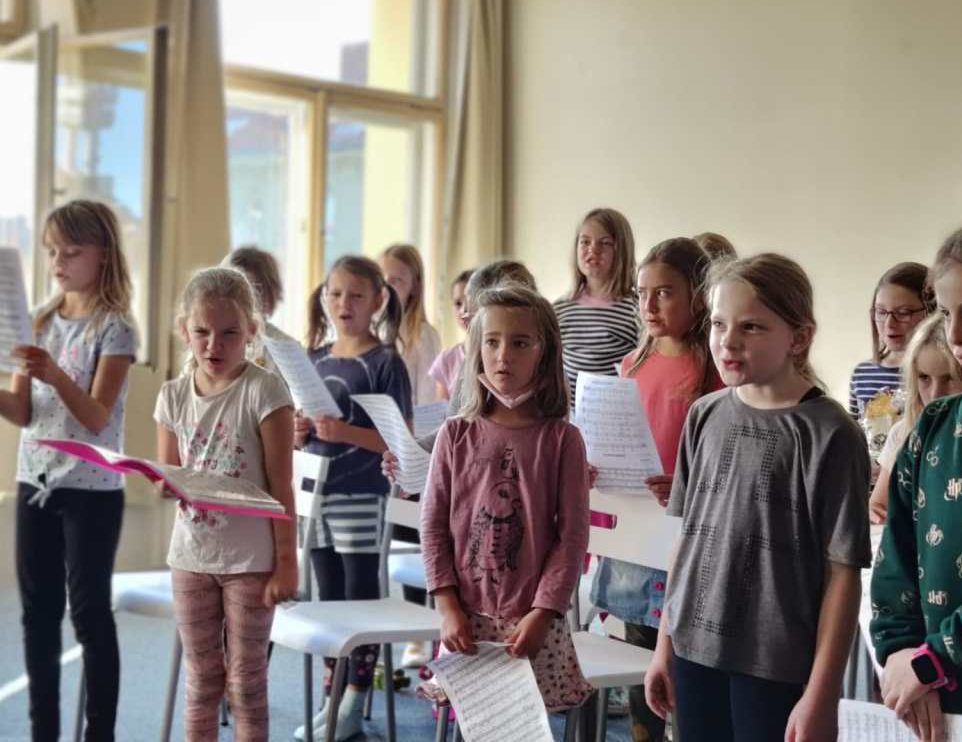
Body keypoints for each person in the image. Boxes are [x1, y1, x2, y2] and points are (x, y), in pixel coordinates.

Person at [644, 253, 871, 741]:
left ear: (799, 337)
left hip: (776, 663)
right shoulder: (704, 415)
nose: (728, 341)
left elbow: (843, 573)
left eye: (751, 327)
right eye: (719, 324)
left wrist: (823, 693)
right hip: (692, 649)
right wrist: (664, 645)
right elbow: (686, 543)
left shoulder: (831, 433)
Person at [0, 200, 137, 741]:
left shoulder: (116, 328)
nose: (57, 262)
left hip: (92, 489)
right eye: (50, 251)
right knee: (37, 615)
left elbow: (96, 416)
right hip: (34, 480)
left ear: (102, 254)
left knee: (89, 614)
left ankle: (99, 734)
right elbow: (22, 412)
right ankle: (43, 733)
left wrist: (56, 374)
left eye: (71, 251)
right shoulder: (38, 320)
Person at [419, 284, 592, 712]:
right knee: (470, 725)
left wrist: (543, 612)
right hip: (464, 615)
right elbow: (433, 524)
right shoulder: (454, 435)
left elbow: (572, 538)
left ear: (544, 353)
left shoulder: (563, 440)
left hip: (533, 621)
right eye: (492, 342)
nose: (503, 356)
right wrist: (446, 605)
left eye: (520, 343)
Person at [155, 266, 297, 742]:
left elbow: (281, 486)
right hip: (191, 556)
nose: (213, 345)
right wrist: (161, 483)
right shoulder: (173, 396)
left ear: (251, 332)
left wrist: (287, 563)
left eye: (229, 333)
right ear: (185, 331)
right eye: (202, 332)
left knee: (247, 683)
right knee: (202, 681)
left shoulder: (265, 391)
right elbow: (170, 474)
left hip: (251, 562)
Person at [589, 237, 723, 741]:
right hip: (635, 536)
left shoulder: (713, 371)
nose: (649, 305)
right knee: (638, 654)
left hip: (690, 536)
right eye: (642, 293)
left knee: (685, 664)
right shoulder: (631, 364)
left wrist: (685, 484)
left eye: (664, 293)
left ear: (698, 297)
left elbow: (721, 458)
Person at [871, 219, 962, 738]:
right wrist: (902, 653)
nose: (956, 335)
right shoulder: (934, 426)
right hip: (938, 699)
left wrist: (934, 658)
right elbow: (896, 560)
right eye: (946, 312)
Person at [296, 255, 412, 741]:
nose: (344, 303)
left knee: (359, 601)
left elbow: (399, 440)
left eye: (356, 295)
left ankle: (355, 698)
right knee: (328, 602)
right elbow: (305, 431)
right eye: (336, 293)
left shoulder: (386, 363)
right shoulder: (314, 359)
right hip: (316, 496)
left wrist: (344, 432)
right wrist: (300, 432)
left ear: (378, 301)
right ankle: (332, 695)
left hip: (362, 495)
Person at [867, 313, 962, 524]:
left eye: (949, 378)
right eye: (924, 378)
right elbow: (878, 504)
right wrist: (875, 513)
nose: (935, 394)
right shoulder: (903, 433)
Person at [554, 207, 641, 405]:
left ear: (621, 250)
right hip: (569, 415)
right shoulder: (560, 309)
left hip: (616, 414)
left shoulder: (636, 309)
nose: (593, 250)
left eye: (605, 243)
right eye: (585, 242)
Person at [849, 262, 930, 461]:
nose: (889, 323)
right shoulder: (862, 374)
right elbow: (854, 437)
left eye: (903, 312)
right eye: (881, 312)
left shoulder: (936, 374)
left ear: (929, 311)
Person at [380, 244, 442, 405]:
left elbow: (427, 402)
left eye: (396, 281)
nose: (385, 288)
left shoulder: (423, 335)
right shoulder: (375, 332)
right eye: (381, 280)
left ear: (414, 287)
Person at [223, 245, 299, 373]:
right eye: (232, 289)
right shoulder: (208, 341)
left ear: (271, 293)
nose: (240, 298)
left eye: (253, 289)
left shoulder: (287, 348)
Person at [429, 268, 474, 400]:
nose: (464, 310)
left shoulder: (499, 357)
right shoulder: (446, 360)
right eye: (458, 303)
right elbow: (442, 409)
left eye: (471, 301)